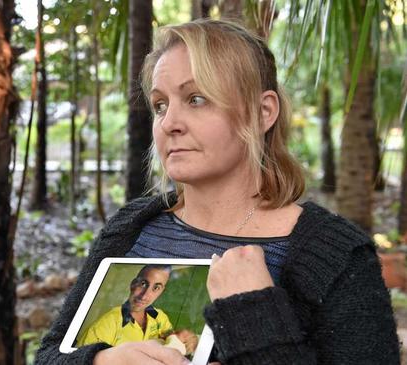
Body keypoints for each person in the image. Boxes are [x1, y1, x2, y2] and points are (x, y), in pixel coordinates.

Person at [35, 19, 400, 365]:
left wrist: (255, 310)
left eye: (196, 99)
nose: (169, 123)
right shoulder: (132, 225)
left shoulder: (336, 256)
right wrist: (99, 359)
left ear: (262, 112)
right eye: (160, 104)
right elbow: (50, 353)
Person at [78, 265, 198, 355]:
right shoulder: (106, 325)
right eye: (143, 284)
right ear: (133, 285)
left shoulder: (160, 317)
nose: (145, 296)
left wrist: (186, 339)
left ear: (161, 292)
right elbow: (80, 359)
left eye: (156, 287)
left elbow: (172, 341)